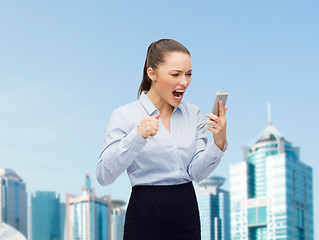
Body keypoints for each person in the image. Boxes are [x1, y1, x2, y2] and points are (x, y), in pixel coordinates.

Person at [96, 39, 228, 240]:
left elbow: (197, 173)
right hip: (144, 214)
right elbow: (104, 175)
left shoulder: (194, 114)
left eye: (189, 74)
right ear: (152, 74)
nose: (184, 82)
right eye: (175, 74)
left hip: (186, 212)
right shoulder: (124, 115)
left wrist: (218, 143)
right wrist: (138, 135)